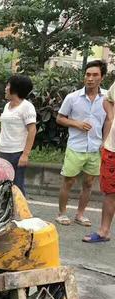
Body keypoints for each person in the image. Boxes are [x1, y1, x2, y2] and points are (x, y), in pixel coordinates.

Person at [55, 60, 108, 227]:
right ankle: (62, 213)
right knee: (68, 181)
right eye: (88, 74)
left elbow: (109, 121)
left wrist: (105, 142)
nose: (90, 78)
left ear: (102, 77)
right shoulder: (73, 98)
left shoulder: (108, 98)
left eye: (95, 75)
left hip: (95, 147)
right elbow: (60, 118)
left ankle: (80, 214)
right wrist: (76, 123)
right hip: (75, 146)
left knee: (89, 183)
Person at [83, 79, 115, 243]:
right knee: (110, 192)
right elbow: (107, 100)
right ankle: (104, 231)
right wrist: (111, 116)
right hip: (113, 149)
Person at [0, 75, 37, 194]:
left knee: (17, 186)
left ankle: (21, 207)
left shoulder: (27, 107)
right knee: (3, 185)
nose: (5, 88)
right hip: (3, 151)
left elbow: (32, 130)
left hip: (16, 153)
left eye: (8, 86)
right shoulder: (7, 105)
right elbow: (6, 125)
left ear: (15, 89)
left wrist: (25, 155)